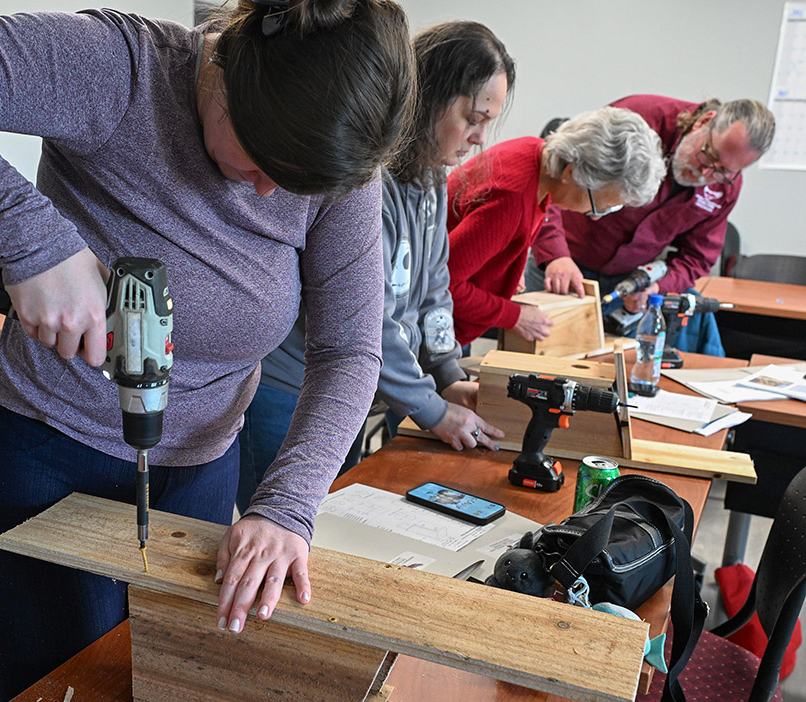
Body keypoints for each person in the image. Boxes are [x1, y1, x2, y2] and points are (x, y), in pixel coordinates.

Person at [0, 1, 413, 699]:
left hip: (204, 467)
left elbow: (350, 349)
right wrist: (28, 235)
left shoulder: (336, 159)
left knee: (175, 680)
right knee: (61, 686)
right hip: (48, 453)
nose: (273, 193)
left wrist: (286, 506)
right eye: (265, 161)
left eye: (296, 185)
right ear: (236, 75)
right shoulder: (122, 69)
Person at [238, 21, 514, 514]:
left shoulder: (430, 177)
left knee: (325, 525)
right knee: (286, 527)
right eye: (474, 118)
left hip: (347, 388)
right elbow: (370, 320)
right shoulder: (367, 181)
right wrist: (432, 410)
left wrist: (448, 374)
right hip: (291, 389)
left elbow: (433, 289)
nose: (479, 138)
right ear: (428, 97)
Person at [525, 96, 775, 316]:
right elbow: (553, 178)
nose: (705, 172)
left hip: (629, 286)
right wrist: (556, 254)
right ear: (704, 122)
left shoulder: (725, 187)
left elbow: (696, 257)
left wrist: (658, 287)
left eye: (722, 171)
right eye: (708, 155)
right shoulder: (637, 119)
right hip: (562, 263)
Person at [447, 106, 667, 347]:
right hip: (429, 331)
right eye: (599, 205)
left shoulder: (534, 153)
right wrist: (515, 316)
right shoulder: (511, 199)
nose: (595, 217)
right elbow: (442, 285)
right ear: (571, 172)